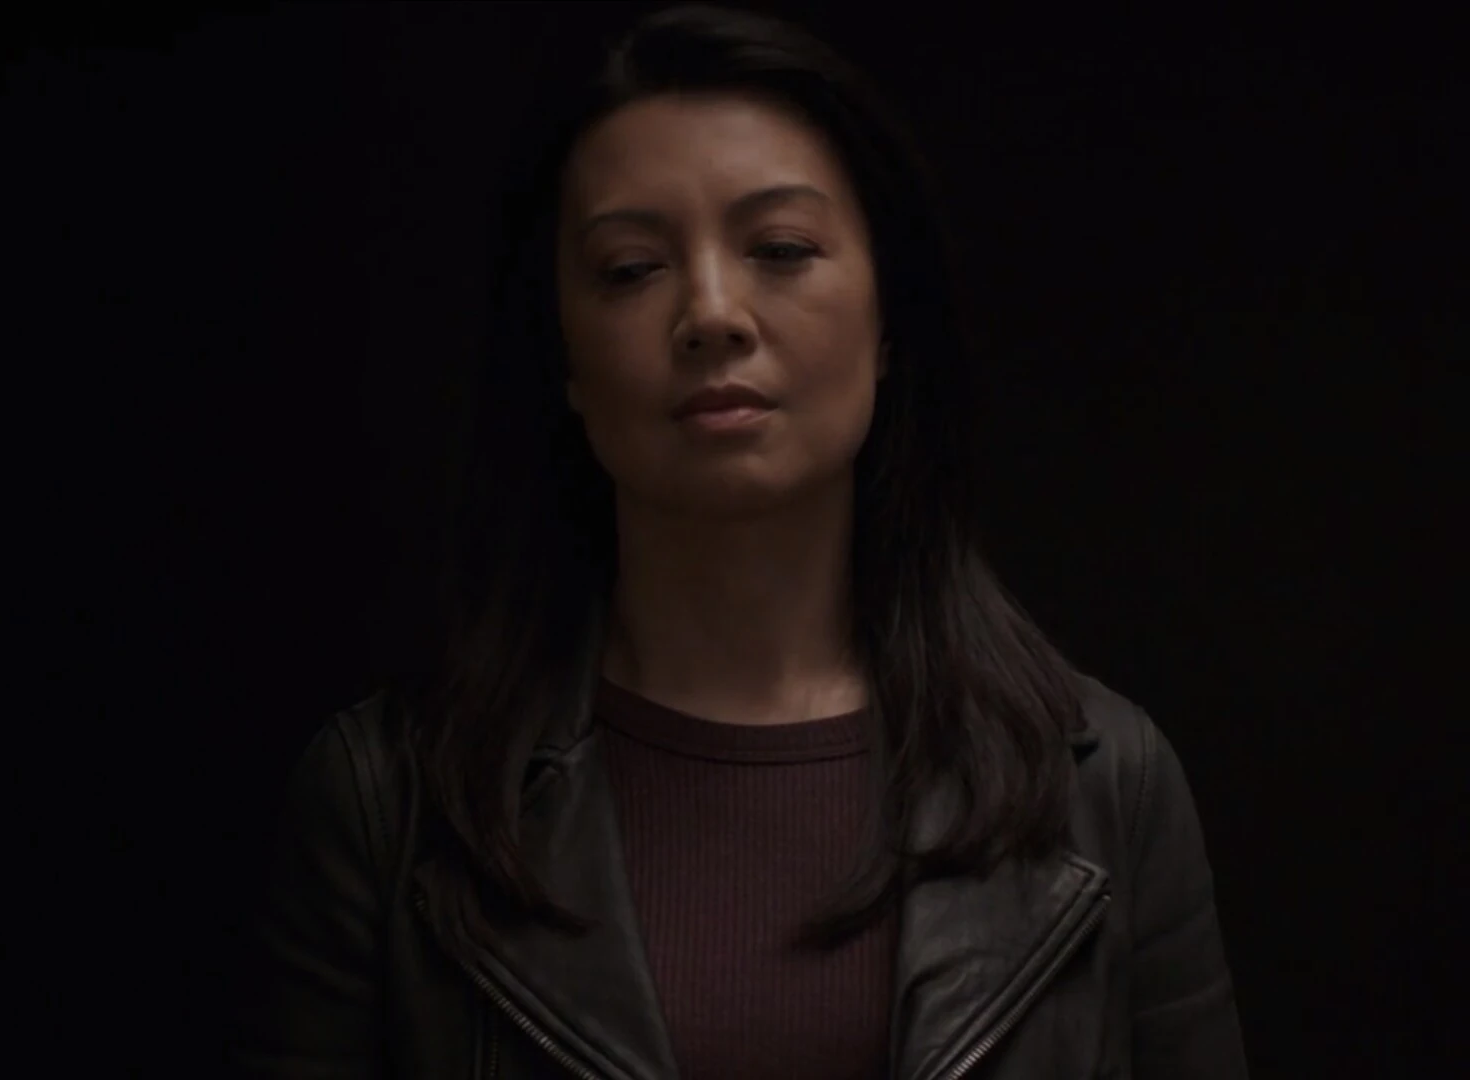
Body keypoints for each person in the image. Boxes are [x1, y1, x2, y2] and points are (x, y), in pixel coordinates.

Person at [230, 4, 1247, 1078]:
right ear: (563, 354)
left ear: (888, 320)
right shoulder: (391, 803)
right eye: (631, 268)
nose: (712, 313)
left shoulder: (1102, 785)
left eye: (780, 249)